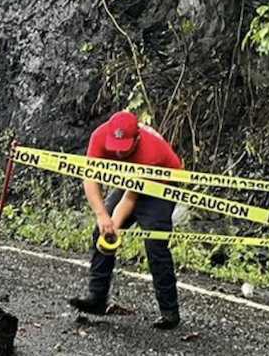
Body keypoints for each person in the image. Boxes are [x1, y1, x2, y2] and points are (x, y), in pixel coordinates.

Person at [67, 110, 183, 330]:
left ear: (137, 138)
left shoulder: (152, 151)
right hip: (130, 180)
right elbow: (90, 178)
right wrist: (102, 217)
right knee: (100, 231)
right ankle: (97, 298)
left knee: (155, 241)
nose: (119, 152)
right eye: (115, 146)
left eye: (125, 147)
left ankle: (169, 311)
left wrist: (114, 224)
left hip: (161, 184)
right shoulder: (99, 137)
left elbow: (131, 197)